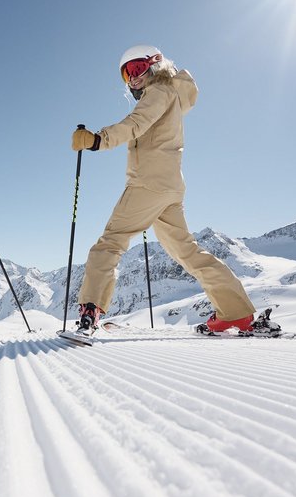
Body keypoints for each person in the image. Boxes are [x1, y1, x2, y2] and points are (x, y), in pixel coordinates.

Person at [70, 45, 265, 337]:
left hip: (148, 184)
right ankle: (236, 312)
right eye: (127, 74)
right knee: (188, 252)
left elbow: (135, 124)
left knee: (110, 243)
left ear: (155, 64)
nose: (133, 78)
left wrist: (98, 140)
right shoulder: (171, 95)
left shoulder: (158, 92)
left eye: (137, 69)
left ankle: (90, 312)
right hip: (170, 187)